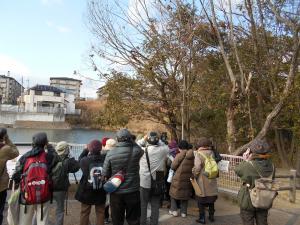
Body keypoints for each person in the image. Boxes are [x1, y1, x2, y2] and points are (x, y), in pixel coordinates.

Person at [12, 132, 58, 225]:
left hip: (26, 195)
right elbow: (57, 158)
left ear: (32, 143)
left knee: (24, 222)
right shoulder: (49, 157)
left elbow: (15, 176)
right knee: (43, 221)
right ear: (45, 143)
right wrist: (48, 146)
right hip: (44, 194)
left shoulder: (24, 157)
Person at [102, 129, 143, 225]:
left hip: (116, 192)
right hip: (133, 191)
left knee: (117, 220)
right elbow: (140, 149)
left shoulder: (110, 153)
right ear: (129, 139)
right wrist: (132, 141)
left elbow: (105, 174)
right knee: (134, 220)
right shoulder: (136, 151)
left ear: (117, 139)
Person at [235, 139, 275, 225]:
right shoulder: (272, 166)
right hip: (264, 199)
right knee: (262, 222)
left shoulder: (248, 165)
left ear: (250, 151)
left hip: (248, 199)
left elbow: (237, 170)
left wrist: (245, 159)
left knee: (248, 221)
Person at [137, 132, 169, 225]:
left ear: (147, 140)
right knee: (155, 205)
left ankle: (142, 222)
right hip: (158, 180)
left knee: (143, 204)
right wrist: (158, 140)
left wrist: (144, 138)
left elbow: (136, 144)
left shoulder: (142, 150)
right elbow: (165, 145)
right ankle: (154, 222)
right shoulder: (163, 150)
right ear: (157, 140)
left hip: (144, 181)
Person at [75, 139, 107, 225]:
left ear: (90, 149)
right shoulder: (105, 159)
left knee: (85, 212)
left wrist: (85, 150)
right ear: (100, 149)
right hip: (101, 188)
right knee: (100, 212)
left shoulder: (85, 160)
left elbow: (79, 159)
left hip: (86, 189)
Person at [52, 141, 80, 225]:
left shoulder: (51, 157)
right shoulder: (68, 161)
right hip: (61, 188)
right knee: (60, 209)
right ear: (66, 149)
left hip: (48, 186)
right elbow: (77, 167)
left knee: (43, 208)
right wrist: (71, 156)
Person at [192, 137, 218, 224]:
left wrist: (194, 175)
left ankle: (202, 218)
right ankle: (211, 216)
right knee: (211, 198)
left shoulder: (198, 154)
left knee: (201, 199)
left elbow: (198, 167)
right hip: (211, 177)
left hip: (202, 179)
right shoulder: (211, 152)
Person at [169, 140, 194, 218]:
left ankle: (174, 210)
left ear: (180, 148)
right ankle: (184, 213)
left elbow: (173, 166)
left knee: (173, 194)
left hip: (178, 178)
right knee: (185, 195)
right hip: (188, 178)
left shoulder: (179, 155)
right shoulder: (192, 155)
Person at [0, 128, 19, 225]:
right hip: (1, 186)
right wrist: (7, 139)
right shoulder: (6, 149)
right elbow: (16, 152)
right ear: (3, 136)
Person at [101, 138, 117, 224]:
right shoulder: (117, 155)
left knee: (105, 200)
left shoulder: (101, 154)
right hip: (115, 180)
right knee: (114, 201)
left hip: (105, 179)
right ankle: (114, 218)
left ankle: (105, 217)